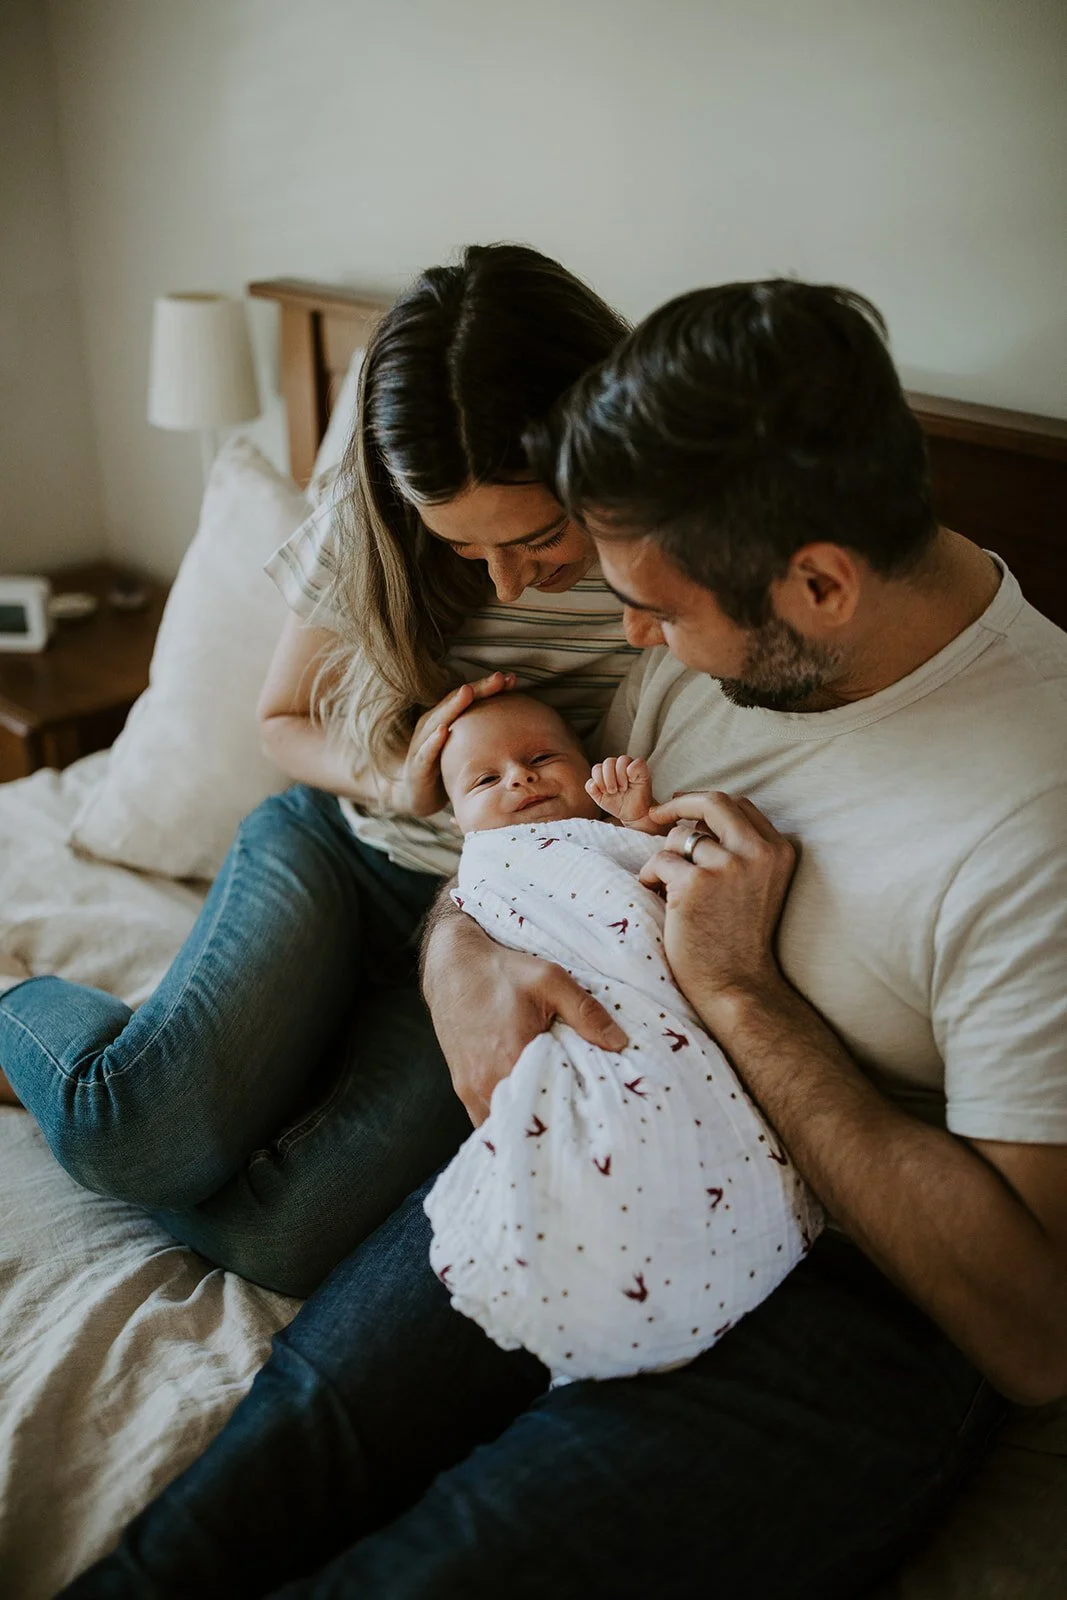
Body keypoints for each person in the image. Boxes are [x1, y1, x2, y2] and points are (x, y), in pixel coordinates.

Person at [61, 279, 1065, 1598]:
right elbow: (523, 843)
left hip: (844, 1306)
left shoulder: (1030, 823)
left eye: (651, 609)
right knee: (229, 1507)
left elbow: (1031, 1336)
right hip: (586, 1146)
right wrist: (459, 954)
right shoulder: (707, 655)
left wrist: (736, 991)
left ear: (815, 583)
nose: (624, 635)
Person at [0, 243, 636, 1298]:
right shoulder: (376, 522)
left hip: (496, 926)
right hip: (343, 850)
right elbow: (283, 718)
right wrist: (399, 780)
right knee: (141, 1134)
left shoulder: (678, 557)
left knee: (281, 1242)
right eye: (466, 552)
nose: (509, 584)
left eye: (535, 536)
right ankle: (23, 1005)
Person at [425, 692, 818, 1380]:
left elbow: (660, 879)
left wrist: (634, 819)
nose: (517, 778)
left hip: (652, 1014)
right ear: (458, 819)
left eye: (541, 758)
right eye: (486, 780)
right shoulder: (486, 863)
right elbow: (483, 922)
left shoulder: (605, 834)